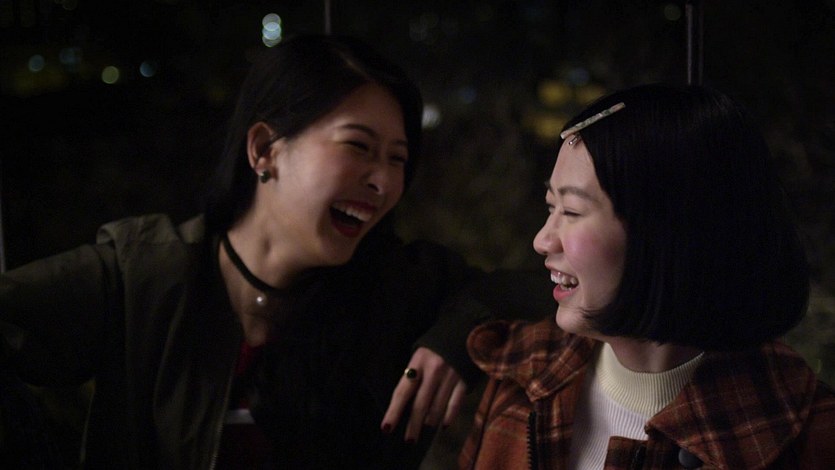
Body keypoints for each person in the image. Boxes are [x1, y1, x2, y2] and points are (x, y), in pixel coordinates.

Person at [0, 33, 541, 469]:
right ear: (264, 149)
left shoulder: (397, 285)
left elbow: (550, 291)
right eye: (358, 146)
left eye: (397, 158)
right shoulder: (142, 273)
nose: (382, 181)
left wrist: (460, 333)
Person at [458, 84, 835, 469]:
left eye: (571, 211)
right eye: (550, 206)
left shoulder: (809, 438)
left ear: (669, 234)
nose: (542, 240)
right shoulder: (524, 378)